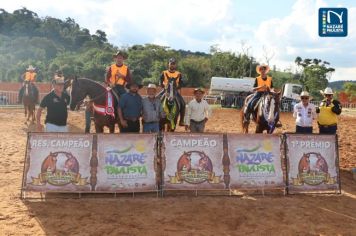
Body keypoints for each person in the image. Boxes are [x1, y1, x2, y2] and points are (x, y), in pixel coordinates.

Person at [158, 58, 186, 126]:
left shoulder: (178, 73)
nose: (172, 65)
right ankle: (157, 117)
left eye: (173, 64)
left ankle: (181, 120)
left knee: (183, 103)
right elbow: (160, 81)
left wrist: (177, 87)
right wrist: (164, 86)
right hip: (166, 90)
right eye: (171, 64)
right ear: (168, 64)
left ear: (175, 65)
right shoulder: (164, 72)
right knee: (156, 99)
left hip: (174, 91)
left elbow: (181, 83)